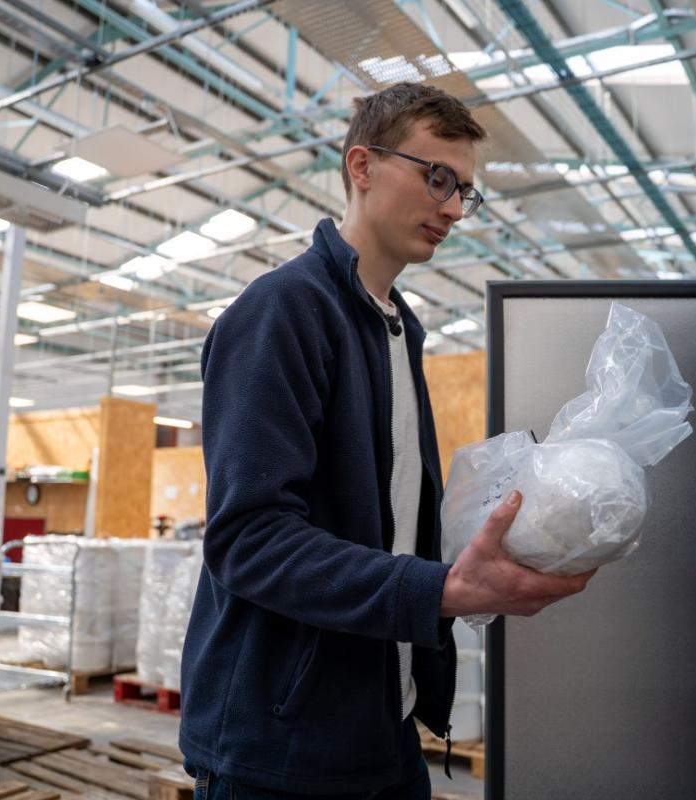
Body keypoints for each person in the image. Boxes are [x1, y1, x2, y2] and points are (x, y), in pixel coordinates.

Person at [180, 82, 598, 799]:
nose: (452, 208)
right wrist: (439, 589)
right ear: (362, 166)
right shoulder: (283, 313)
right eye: (437, 177)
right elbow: (249, 538)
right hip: (282, 750)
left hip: (385, 726)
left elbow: (384, 525)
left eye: (465, 191)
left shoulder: (397, 330)